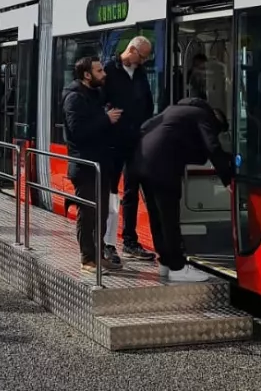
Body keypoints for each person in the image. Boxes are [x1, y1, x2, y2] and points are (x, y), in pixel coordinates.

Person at [134, 98, 233, 283]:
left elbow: (146, 127)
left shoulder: (174, 110)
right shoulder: (204, 116)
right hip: (163, 167)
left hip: (142, 163)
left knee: (157, 217)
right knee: (170, 218)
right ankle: (178, 268)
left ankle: (165, 262)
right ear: (215, 120)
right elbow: (212, 146)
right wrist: (227, 179)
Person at [62, 57, 122, 273]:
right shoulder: (74, 98)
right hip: (85, 166)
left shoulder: (96, 94)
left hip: (102, 164)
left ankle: (98, 255)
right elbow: (77, 132)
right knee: (87, 214)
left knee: (101, 214)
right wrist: (106, 120)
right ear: (87, 75)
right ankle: (87, 259)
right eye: (99, 70)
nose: (103, 73)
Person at [101, 36, 157, 263]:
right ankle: (107, 243)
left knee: (131, 191)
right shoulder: (108, 71)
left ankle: (130, 241)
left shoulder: (141, 74)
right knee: (111, 193)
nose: (143, 61)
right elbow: (100, 100)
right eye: (141, 56)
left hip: (136, 141)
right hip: (114, 141)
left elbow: (148, 103)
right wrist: (107, 117)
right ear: (132, 49)